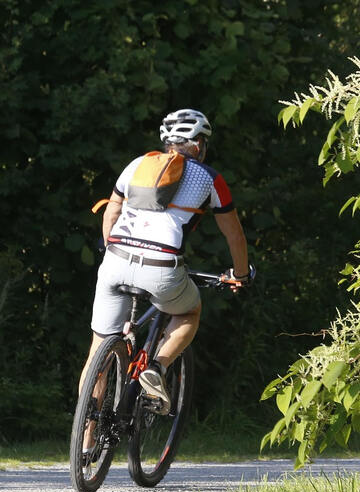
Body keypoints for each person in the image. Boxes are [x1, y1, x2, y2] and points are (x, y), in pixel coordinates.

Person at [81, 108, 251, 420]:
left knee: (98, 348)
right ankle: (157, 366)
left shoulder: (136, 164)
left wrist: (111, 250)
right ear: (198, 144)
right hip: (161, 268)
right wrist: (240, 274)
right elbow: (235, 235)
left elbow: (110, 213)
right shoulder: (210, 178)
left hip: (114, 260)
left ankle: (86, 442)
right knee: (189, 311)